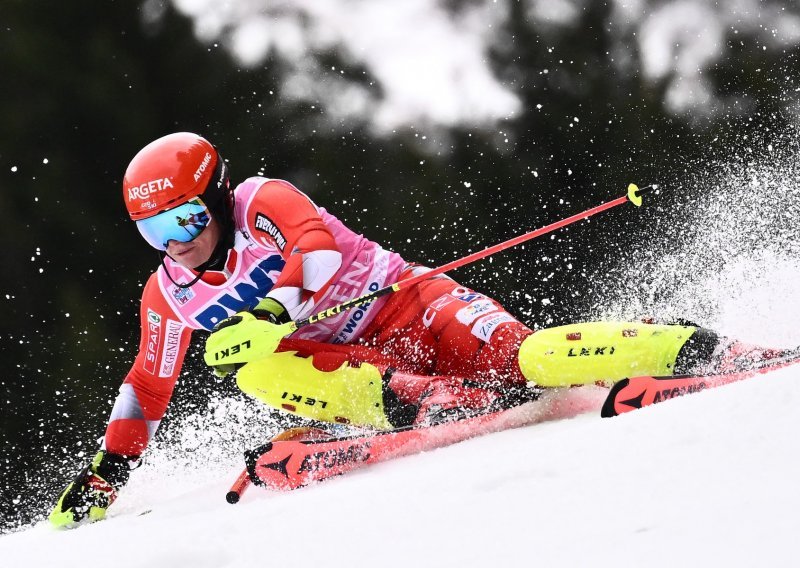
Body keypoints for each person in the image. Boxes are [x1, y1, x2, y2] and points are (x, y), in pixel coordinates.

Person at [48, 132, 787, 528]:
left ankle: (690, 346)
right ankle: (416, 401)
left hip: (415, 307)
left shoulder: (260, 201)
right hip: (360, 362)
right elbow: (147, 384)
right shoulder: (167, 293)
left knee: (523, 359)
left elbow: (317, 249)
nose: (175, 242)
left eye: (183, 218)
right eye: (152, 232)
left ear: (212, 196)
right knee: (251, 370)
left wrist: (271, 313)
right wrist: (107, 474)